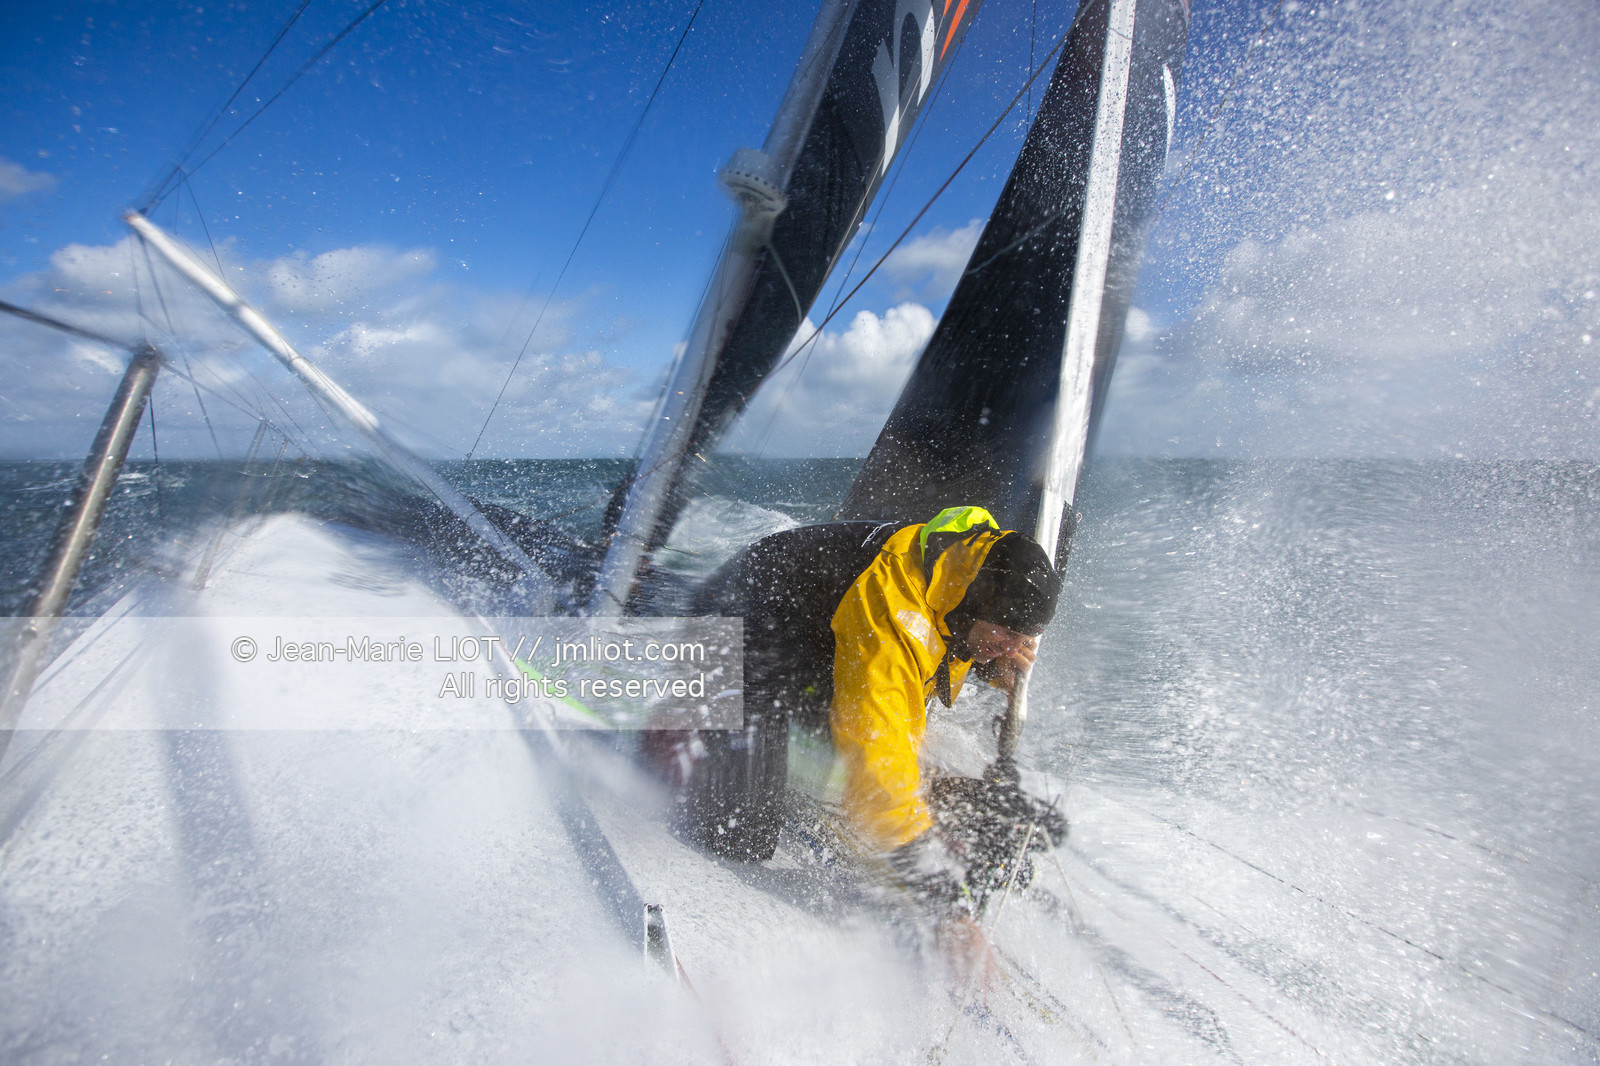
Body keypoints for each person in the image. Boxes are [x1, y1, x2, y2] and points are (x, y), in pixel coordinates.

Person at [652, 505, 1065, 916]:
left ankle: (907, 792)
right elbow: (876, 739)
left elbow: (944, 648)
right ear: (976, 602)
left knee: (872, 755)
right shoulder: (893, 605)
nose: (1017, 649)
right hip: (737, 625)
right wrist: (934, 889)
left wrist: (993, 662)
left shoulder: (959, 579)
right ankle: (674, 720)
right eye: (1007, 633)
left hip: (815, 647)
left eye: (1024, 639)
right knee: (740, 834)